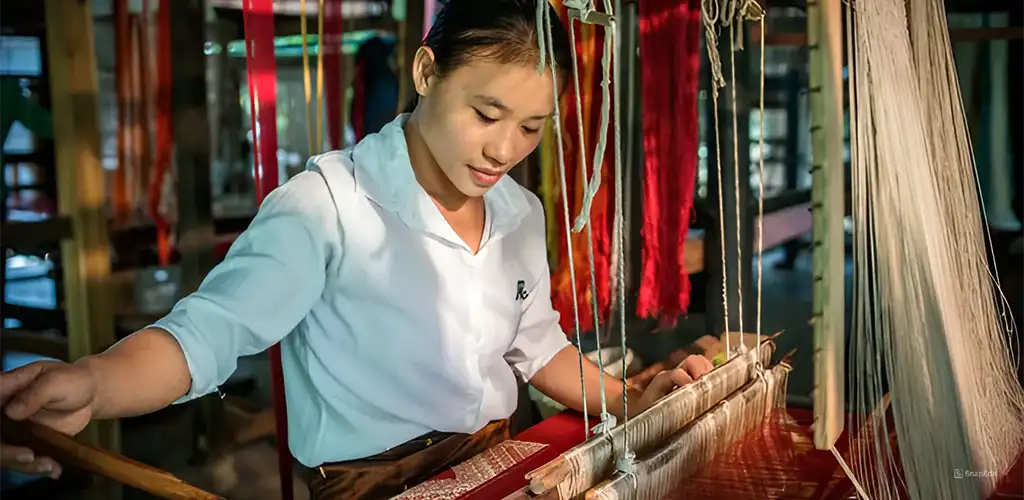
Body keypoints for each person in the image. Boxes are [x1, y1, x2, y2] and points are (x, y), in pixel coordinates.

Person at [0, 1, 713, 498]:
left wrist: (630, 399)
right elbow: (208, 333)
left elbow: (536, 346)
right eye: (485, 113)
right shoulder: (327, 207)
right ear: (427, 72)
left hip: (502, 458)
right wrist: (94, 382)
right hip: (378, 485)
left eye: (532, 127)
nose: (505, 149)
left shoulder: (518, 211)